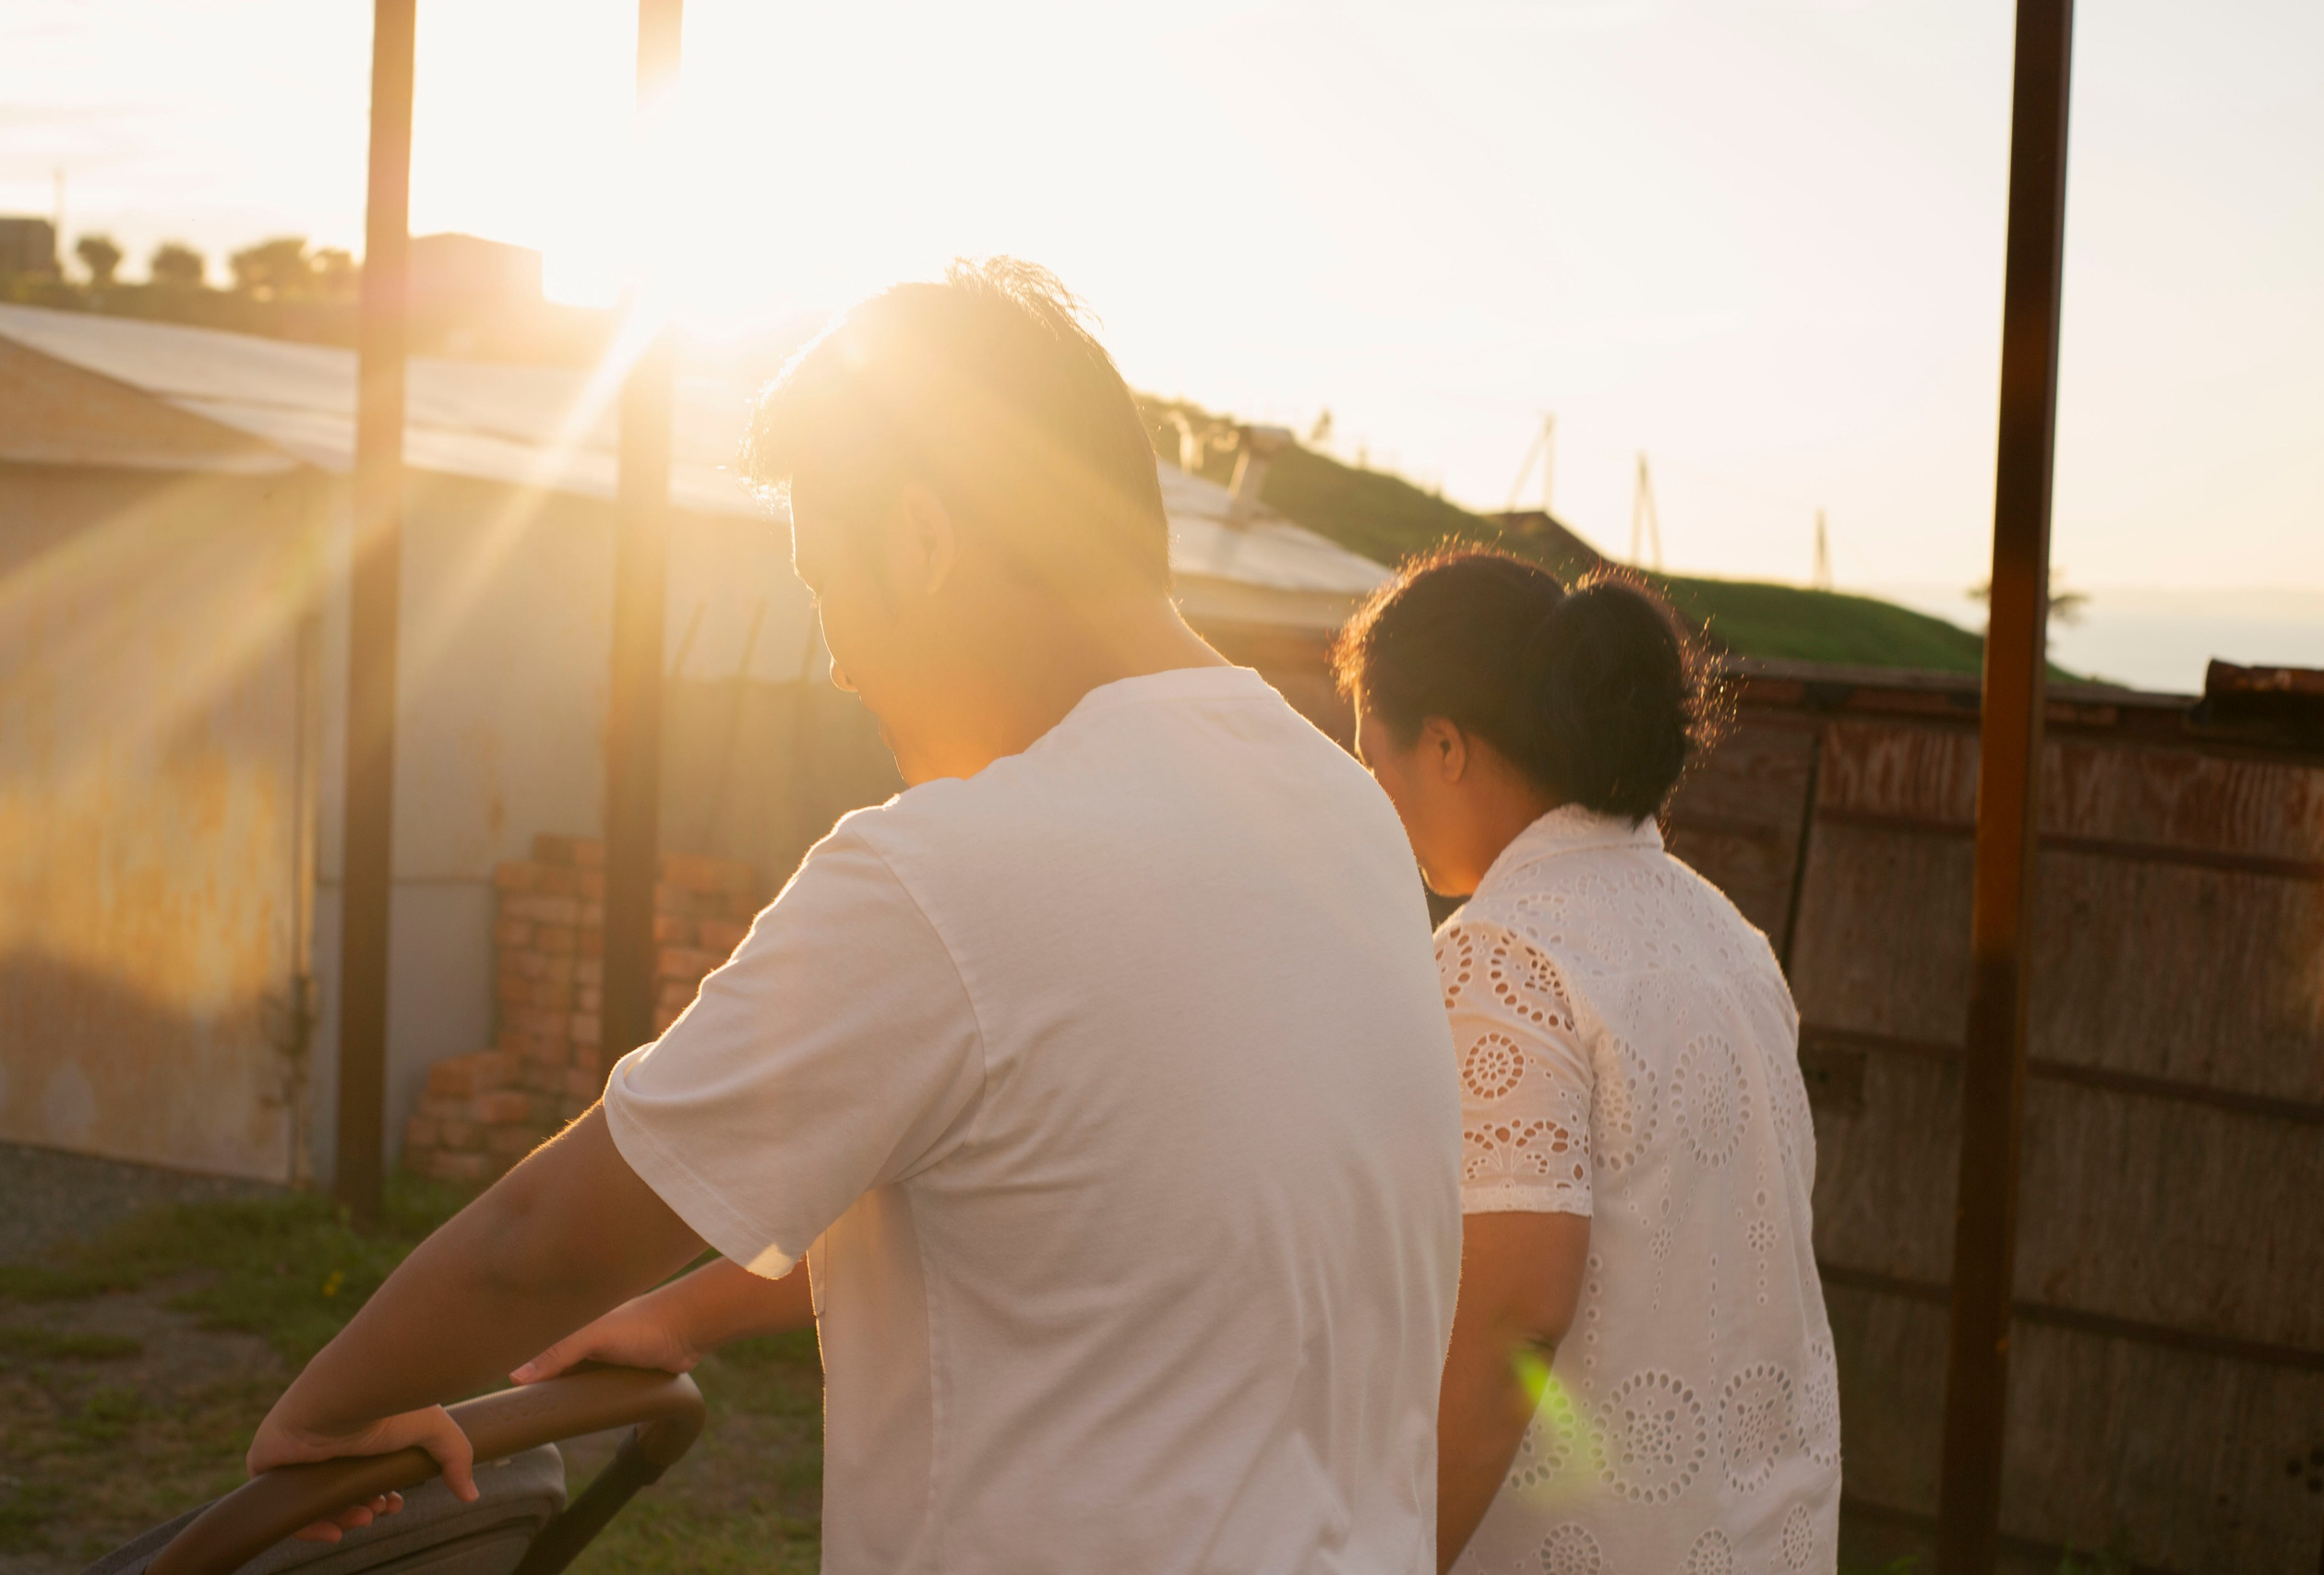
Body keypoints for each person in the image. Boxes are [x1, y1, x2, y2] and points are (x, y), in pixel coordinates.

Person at [247, 259, 1466, 1575]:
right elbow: (1109, 1194)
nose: (833, 658)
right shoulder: (1344, 819)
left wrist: (324, 1418)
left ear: (921, 540)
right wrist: (693, 1311)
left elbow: (540, 1244)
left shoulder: (954, 871)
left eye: (824, 580)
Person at [1336, 550, 1840, 1575]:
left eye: (1371, 759)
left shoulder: (1504, 958)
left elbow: (1510, 1318)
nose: (1369, 796)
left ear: (1444, 745)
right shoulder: (1724, 935)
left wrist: (1393, 1556)